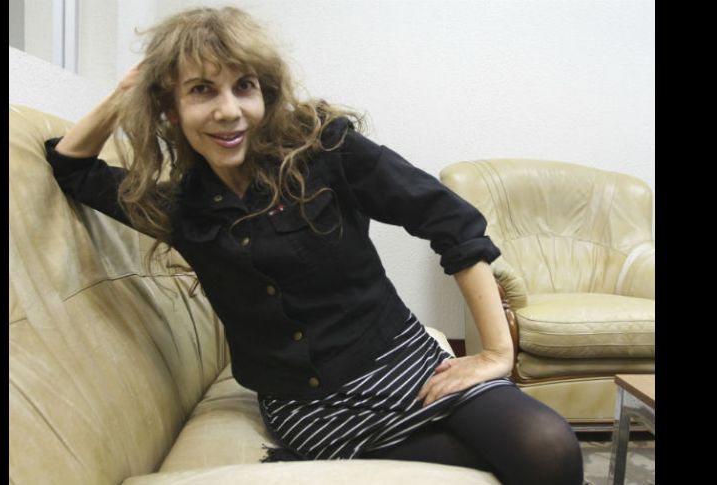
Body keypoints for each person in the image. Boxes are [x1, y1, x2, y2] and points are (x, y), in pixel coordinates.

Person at [44, 6, 583, 485]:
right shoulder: (180, 210)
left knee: (548, 447)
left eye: (244, 86)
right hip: (308, 409)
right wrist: (130, 90)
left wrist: (495, 354)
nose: (228, 110)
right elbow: (71, 166)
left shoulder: (326, 150)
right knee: (496, 463)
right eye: (202, 90)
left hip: (405, 364)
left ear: (265, 93)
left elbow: (450, 220)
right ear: (170, 107)